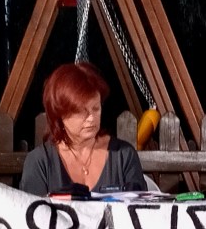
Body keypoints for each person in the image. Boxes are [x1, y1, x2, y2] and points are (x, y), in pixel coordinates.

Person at [20, 62, 149, 196]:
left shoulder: (124, 155)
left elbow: (141, 206)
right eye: (81, 111)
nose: (91, 118)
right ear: (60, 114)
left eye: (96, 108)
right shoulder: (39, 161)